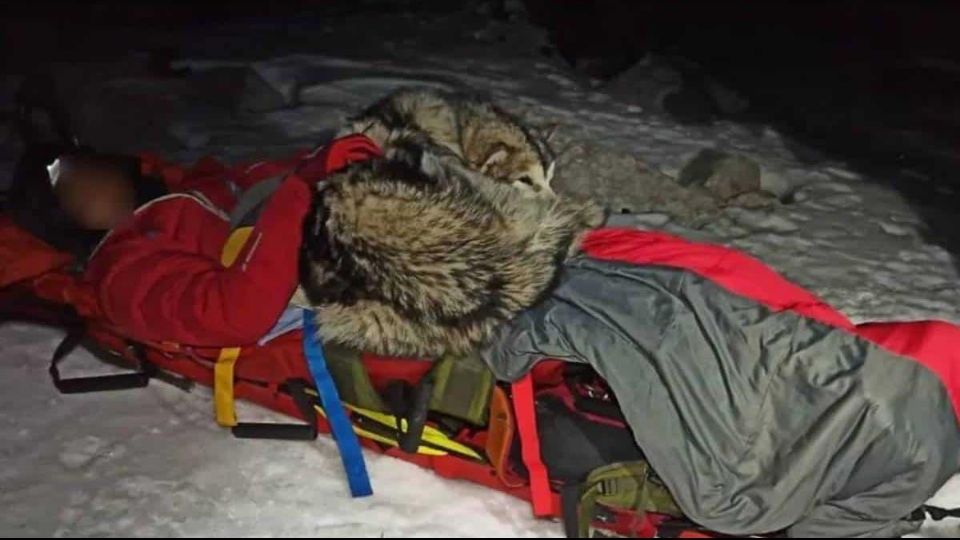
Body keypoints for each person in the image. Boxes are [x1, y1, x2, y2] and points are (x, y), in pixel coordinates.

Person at [7, 89, 380, 347]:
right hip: (340, 280)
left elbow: (271, 179)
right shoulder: (125, 274)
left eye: (81, 164)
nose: (87, 177)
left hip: (351, 226)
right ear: (69, 220)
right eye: (66, 183)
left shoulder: (193, 188)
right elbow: (236, 313)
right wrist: (300, 192)